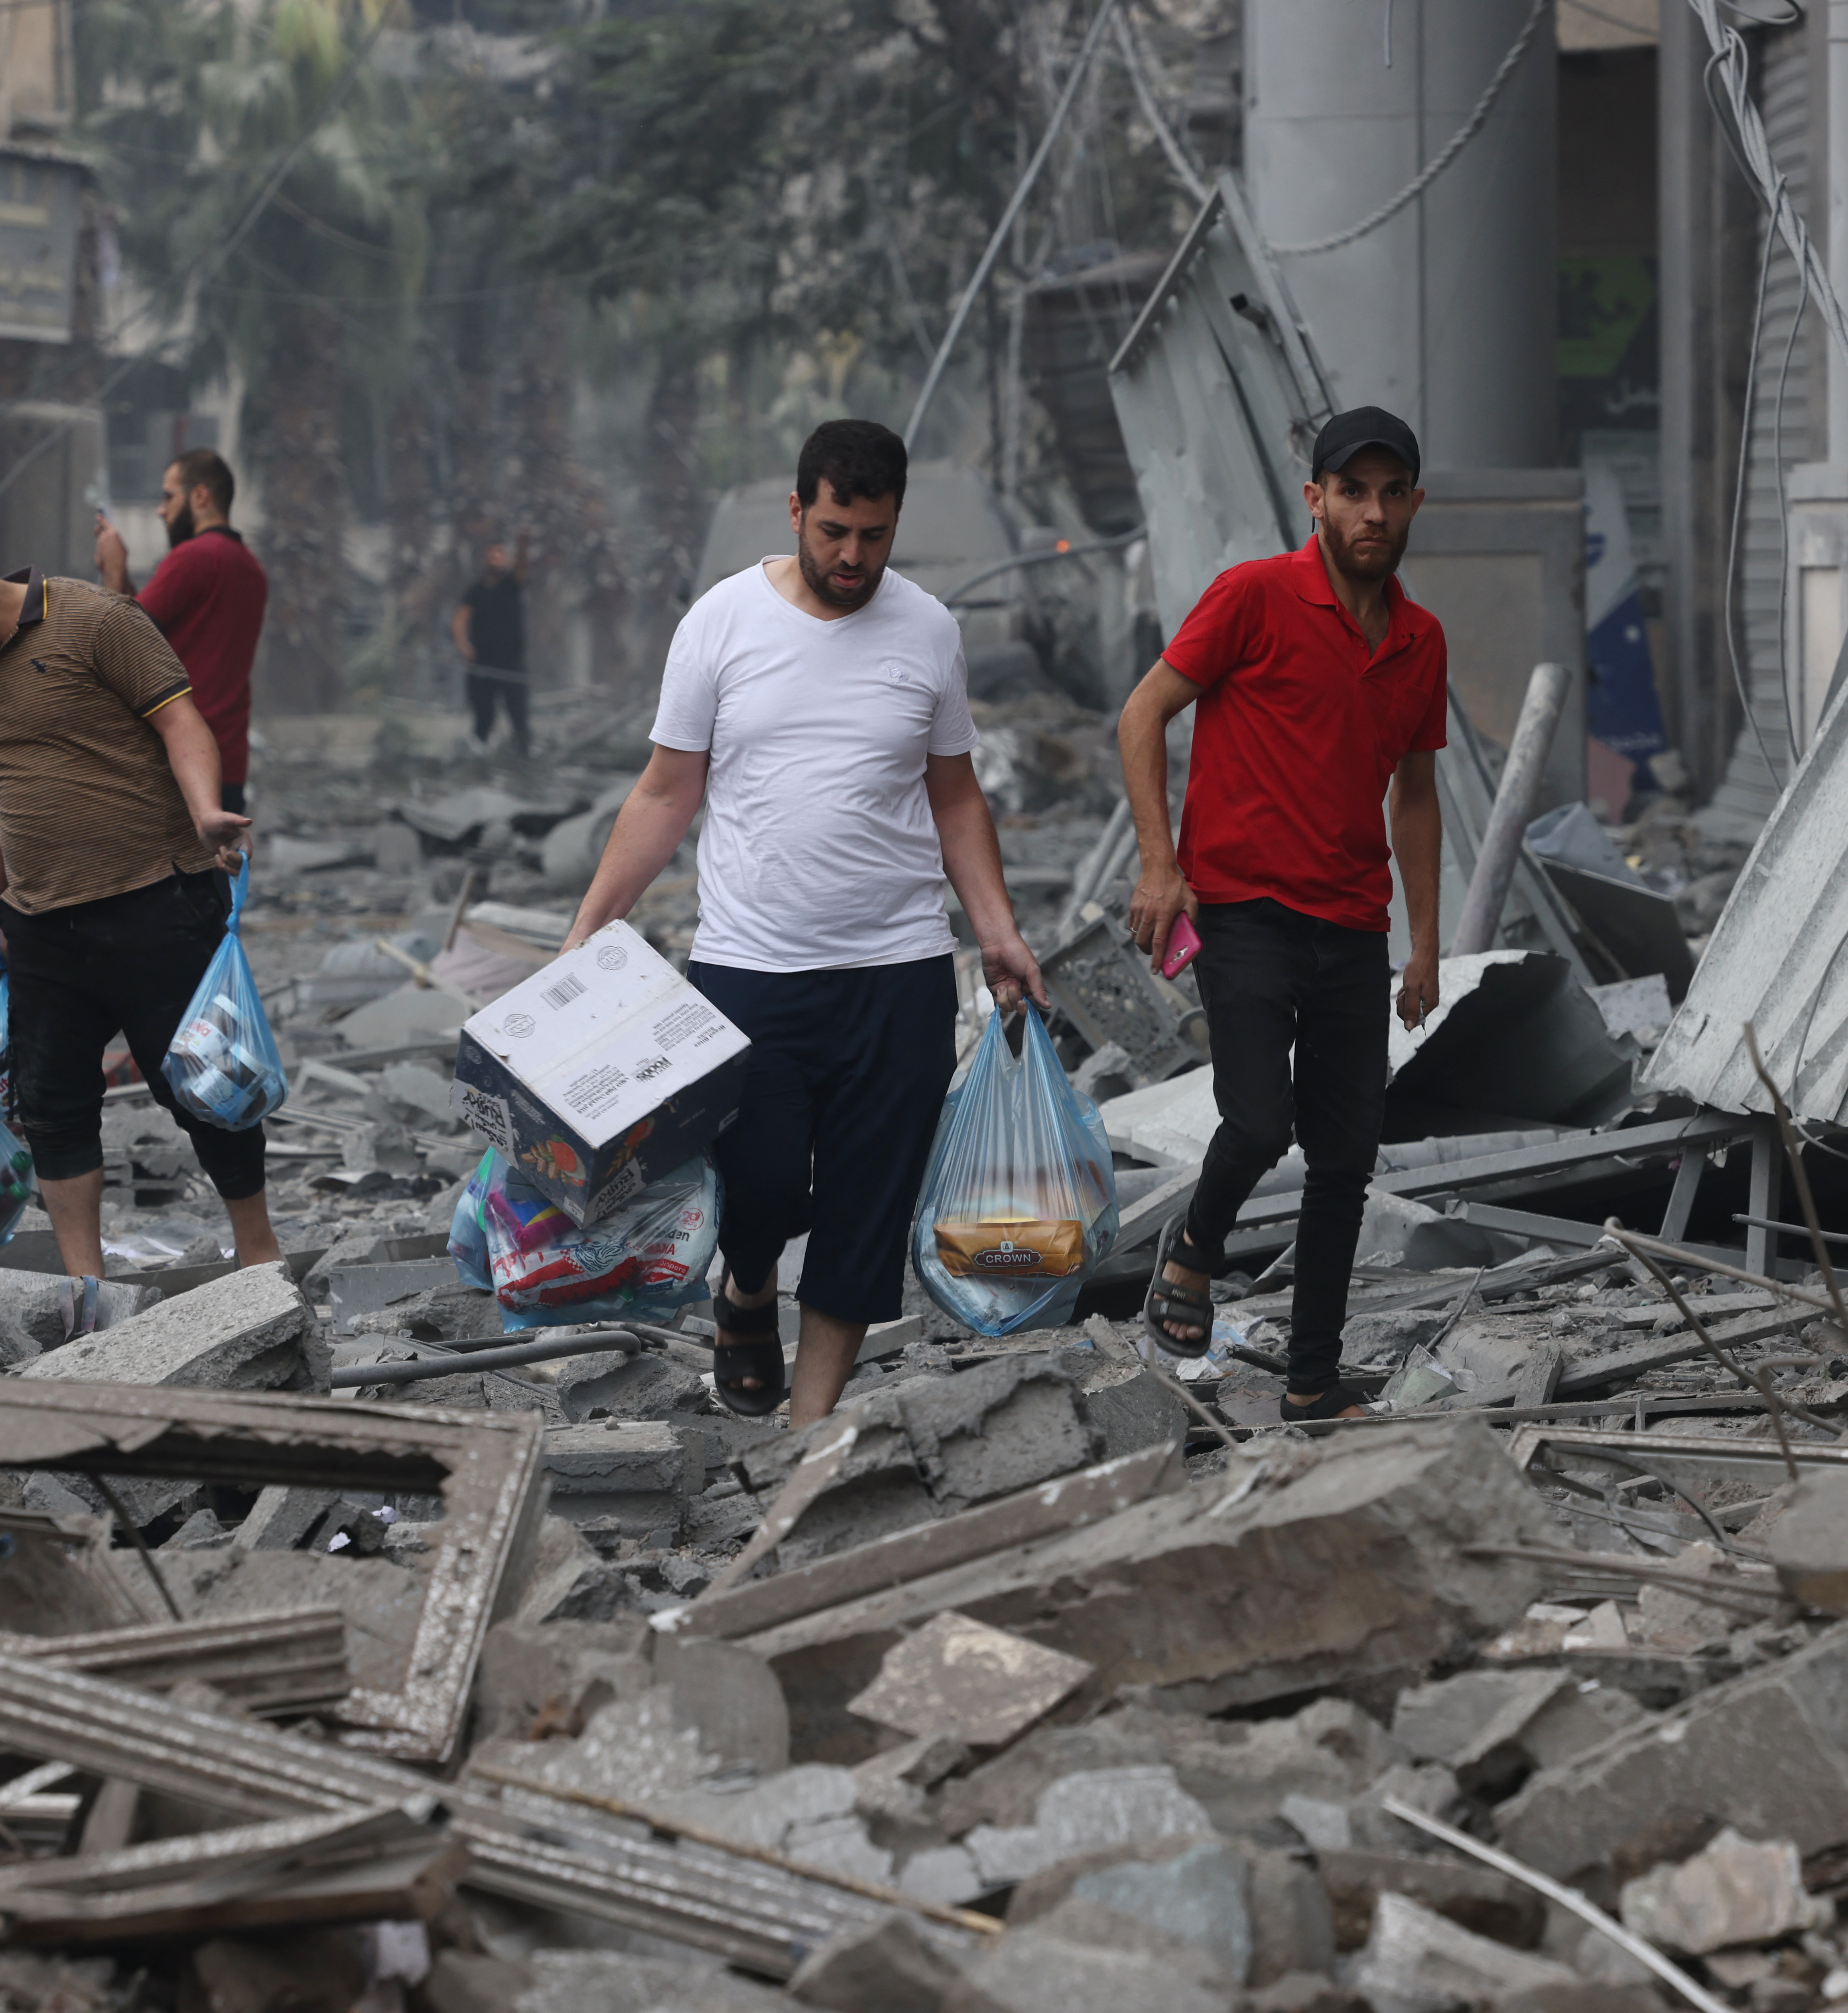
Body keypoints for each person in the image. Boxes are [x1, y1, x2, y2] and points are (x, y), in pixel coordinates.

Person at [564, 419, 1042, 1426]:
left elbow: (956, 797)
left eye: (873, 535)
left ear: (895, 522)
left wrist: (995, 928)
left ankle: (806, 1428)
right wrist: (589, 928)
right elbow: (663, 794)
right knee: (764, 1180)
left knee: (868, 1203)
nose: (852, 558)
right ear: (796, 512)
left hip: (898, 968)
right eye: (833, 531)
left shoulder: (929, 631)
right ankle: (748, 1283)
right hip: (748, 968)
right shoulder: (721, 623)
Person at [1116, 405, 1447, 1422]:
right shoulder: (1254, 596)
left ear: (1413, 506)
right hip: (1247, 910)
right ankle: (1196, 1250)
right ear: (1317, 500)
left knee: (1344, 1162)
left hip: (1352, 926)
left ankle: (1310, 1382)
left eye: (1392, 494)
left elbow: (1417, 794)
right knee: (1259, 1120)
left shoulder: (1419, 640)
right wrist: (1160, 865)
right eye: (1353, 491)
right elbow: (1142, 715)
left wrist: (1425, 943)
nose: (1373, 512)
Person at [0, 529, 278, 1276]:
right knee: (52, 1108)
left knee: (204, 1091)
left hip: (156, 898)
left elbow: (181, 720)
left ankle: (259, 1256)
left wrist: (205, 810)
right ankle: (87, 1289)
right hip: (42, 928)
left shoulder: (99, 622)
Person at [95, 447, 269, 813]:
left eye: (168, 496)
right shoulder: (250, 568)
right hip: (227, 763)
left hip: (181, 763)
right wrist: (124, 571)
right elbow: (152, 623)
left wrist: (112, 572)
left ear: (200, 496)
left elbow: (119, 638)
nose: (162, 510)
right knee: (216, 869)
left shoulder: (195, 558)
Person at [453, 541, 531, 756]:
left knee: (518, 713)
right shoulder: (476, 591)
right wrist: (463, 644)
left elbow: (522, 570)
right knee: (484, 715)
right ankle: (480, 754)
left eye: (499, 555)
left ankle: (524, 754)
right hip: (483, 664)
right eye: (491, 556)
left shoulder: (512, 585)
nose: (495, 560)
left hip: (512, 663)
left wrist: (523, 545)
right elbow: (460, 620)